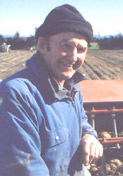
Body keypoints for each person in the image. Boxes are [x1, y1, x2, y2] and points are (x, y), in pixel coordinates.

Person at [0, 4, 103, 176]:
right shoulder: (16, 94)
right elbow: (25, 168)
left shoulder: (72, 87)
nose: (73, 57)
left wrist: (88, 135)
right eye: (66, 46)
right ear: (42, 45)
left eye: (81, 49)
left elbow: (80, 121)